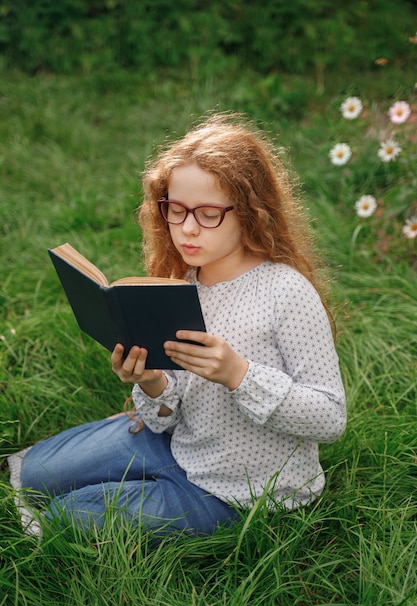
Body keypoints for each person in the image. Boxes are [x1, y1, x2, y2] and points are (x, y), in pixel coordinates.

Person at [20, 112, 346, 537]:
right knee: (36, 474)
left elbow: (331, 419)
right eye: (176, 209)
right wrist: (153, 381)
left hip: (240, 490)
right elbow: (170, 411)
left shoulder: (285, 291)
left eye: (209, 213)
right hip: (181, 444)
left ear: (249, 212)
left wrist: (238, 374)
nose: (188, 228)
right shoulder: (186, 281)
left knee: (62, 518)